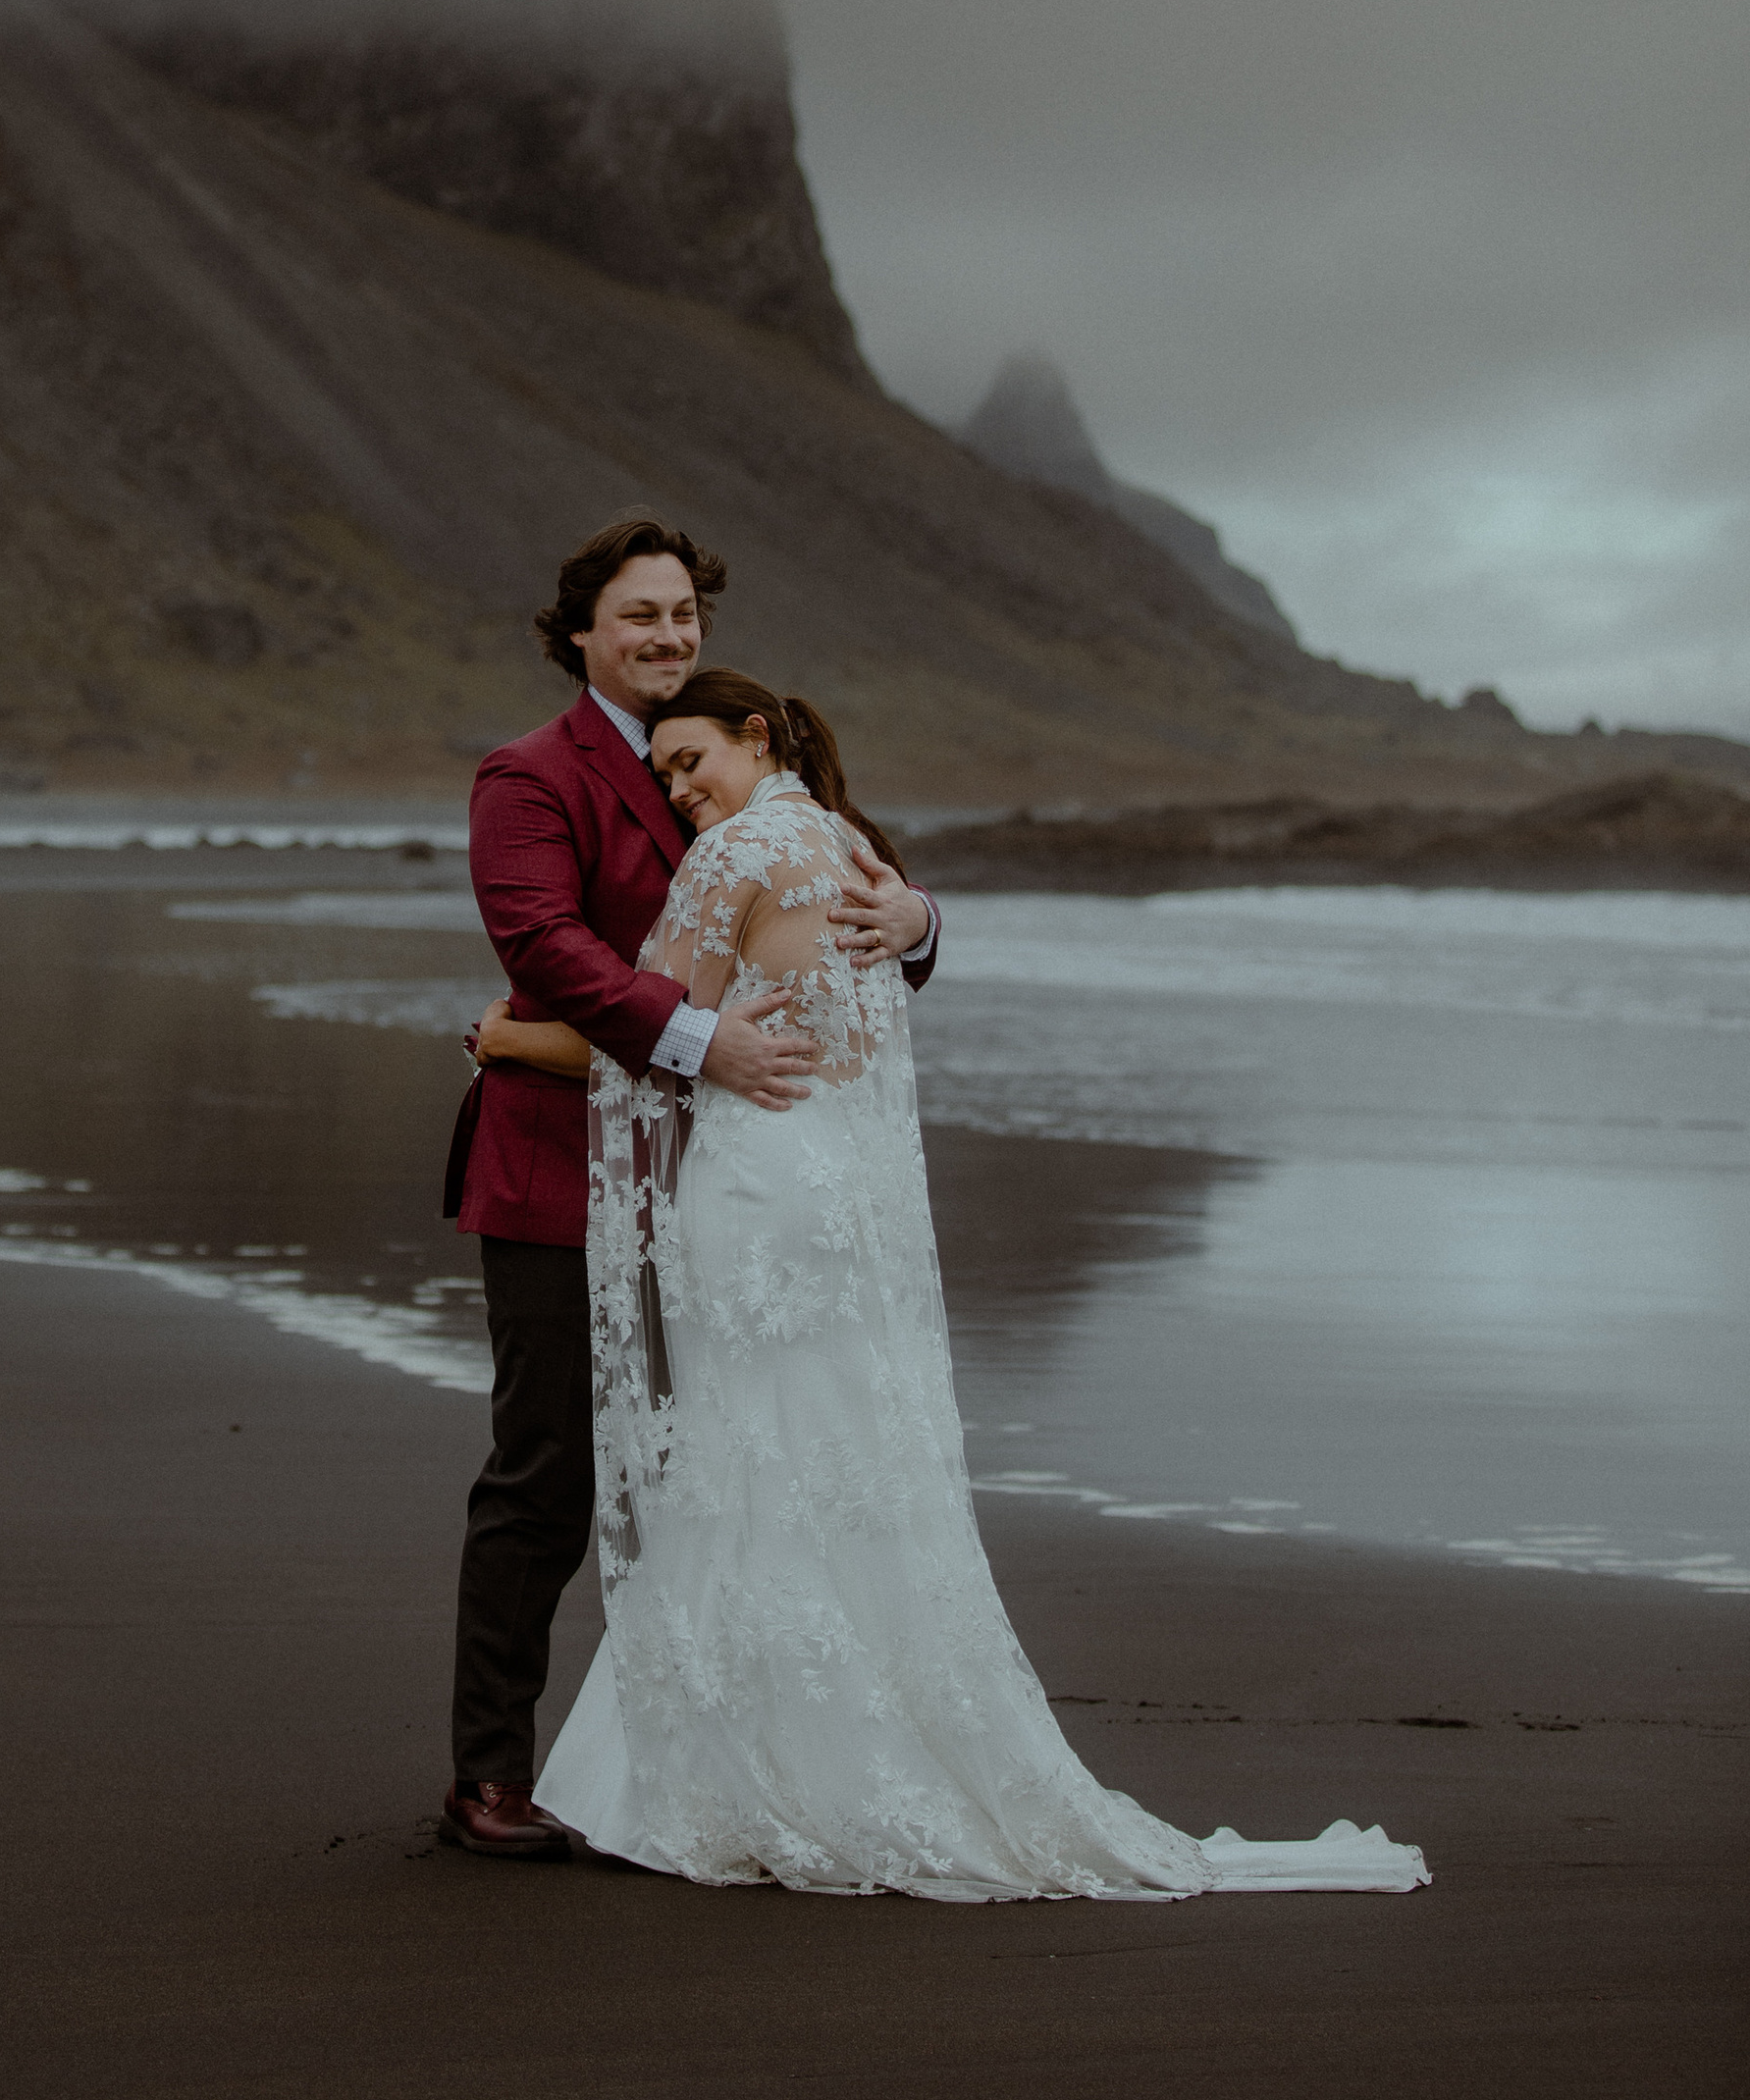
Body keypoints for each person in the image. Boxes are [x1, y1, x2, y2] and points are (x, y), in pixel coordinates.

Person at [486, 665, 1428, 1898]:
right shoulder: (854, 852)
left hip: (761, 1194)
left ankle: (740, 1770)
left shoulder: (733, 857)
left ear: (755, 738)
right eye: (660, 773)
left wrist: (505, 1037)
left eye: (690, 761)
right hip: (839, 1198)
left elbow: (647, 1029)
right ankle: (840, 1745)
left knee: (742, 1464)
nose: (677, 790)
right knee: (823, 1463)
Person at [440, 519, 938, 1860]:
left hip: (727, 1187)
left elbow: (837, 903)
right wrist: (696, 1038)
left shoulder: (724, 753)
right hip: (560, 1172)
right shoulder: (529, 776)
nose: (667, 636)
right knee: (548, 1472)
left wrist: (920, 923)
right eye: (639, 615)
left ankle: (710, 1764)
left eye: (682, 614)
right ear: (581, 634)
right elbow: (544, 945)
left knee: (712, 1475)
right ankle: (489, 1778)